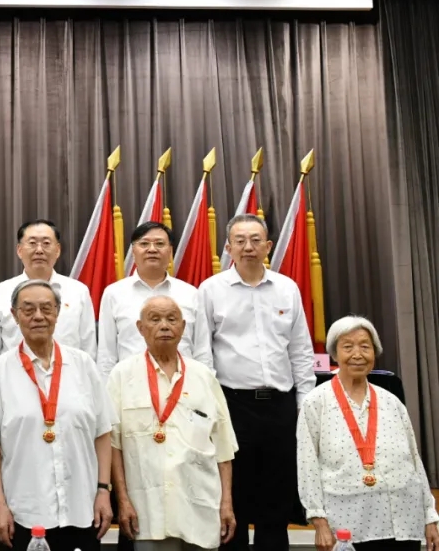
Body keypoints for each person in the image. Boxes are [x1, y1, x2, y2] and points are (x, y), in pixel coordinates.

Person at [197, 214, 315, 551]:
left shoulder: (287, 288)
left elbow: (300, 351)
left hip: (280, 407)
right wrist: (212, 407)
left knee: (276, 500)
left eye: (255, 240)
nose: (248, 247)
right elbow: (203, 353)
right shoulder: (211, 290)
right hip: (232, 405)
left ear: (268, 246)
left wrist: (304, 404)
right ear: (228, 247)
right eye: (240, 240)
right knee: (233, 497)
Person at [0, 279, 114, 551]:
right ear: (14, 316)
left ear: (58, 313)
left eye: (47, 308)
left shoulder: (84, 365)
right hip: (23, 513)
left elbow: (103, 433)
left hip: (82, 509)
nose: (38, 316)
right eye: (28, 309)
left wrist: (103, 491)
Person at [297, 315, 439, 551]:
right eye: (348, 347)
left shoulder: (391, 402)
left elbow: (414, 461)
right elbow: (307, 465)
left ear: (375, 352)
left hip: (403, 519)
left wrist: (429, 516)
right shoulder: (316, 402)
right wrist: (318, 520)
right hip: (349, 525)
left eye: (365, 346)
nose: (357, 354)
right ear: (334, 354)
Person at [107, 295, 237, 551]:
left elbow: (224, 448)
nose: (164, 326)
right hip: (148, 511)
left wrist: (226, 504)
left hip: (200, 507)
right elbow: (113, 446)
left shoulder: (203, 376)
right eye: (155, 319)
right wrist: (122, 500)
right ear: (140, 328)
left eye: (171, 319)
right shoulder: (121, 375)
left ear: (183, 327)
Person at [98, 222, 213, 383]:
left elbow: (202, 351)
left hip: (183, 385)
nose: (152, 249)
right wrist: (107, 392)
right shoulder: (114, 294)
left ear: (170, 251)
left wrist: (205, 386)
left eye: (159, 244)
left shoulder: (190, 293)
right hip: (131, 386)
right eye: (144, 244)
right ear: (133, 251)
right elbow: (106, 355)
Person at [0, 220, 95, 360]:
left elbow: (89, 349)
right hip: (14, 372)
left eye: (46, 243)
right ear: (19, 250)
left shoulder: (78, 292)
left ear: (58, 250)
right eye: (32, 243)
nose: (39, 250)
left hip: (68, 372)